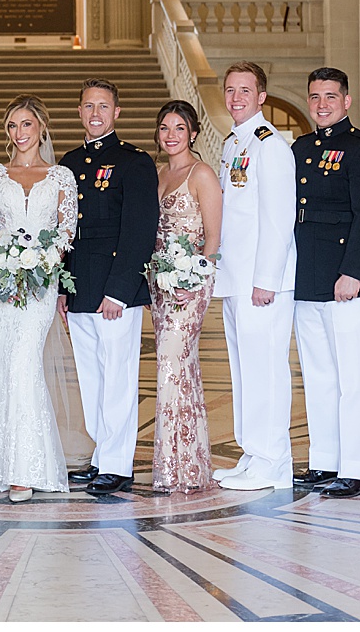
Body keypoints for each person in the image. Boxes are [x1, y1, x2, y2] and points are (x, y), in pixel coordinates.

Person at [291, 66, 360, 500]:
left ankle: (357, 468)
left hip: (351, 279)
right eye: (315, 97)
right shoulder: (299, 148)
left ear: (346, 100)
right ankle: (325, 461)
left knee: (353, 376)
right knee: (318, 376)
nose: (322, 105)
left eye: (331, 96)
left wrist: (352, 272)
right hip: (309, 277)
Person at [0, 95, 79, 501]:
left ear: (41, 128)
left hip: (40, 283)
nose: (19, 133)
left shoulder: (61, 177)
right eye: (12, 126)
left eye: (26, 125)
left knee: (24, 364)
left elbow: (67, 232)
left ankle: (28, 468)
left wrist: (42, 262)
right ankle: (1, 464)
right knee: (1, 366)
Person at [58, 79, 159, 495]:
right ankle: (102, 455)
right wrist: (63, 287)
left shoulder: (134, 161)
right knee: (91, 378)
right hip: (80, 288)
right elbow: (63, 229)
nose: (95, 113)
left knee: (118, 377)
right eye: (87, 106)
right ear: (79, 112)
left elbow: (139, 229)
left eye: (103, 106)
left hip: (115, 291)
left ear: (116, 112)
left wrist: (119, 290)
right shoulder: (68, 162)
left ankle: (117, 465)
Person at [212, 61, 299, 492]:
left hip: (263, 283)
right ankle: (252, 453)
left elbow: (279, 220)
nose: (236, 98)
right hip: (236, 278)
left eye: (245, 90)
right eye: (230, 90)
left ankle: (275, 462)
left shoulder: (271, 146)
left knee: (266, 369)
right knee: (244, 369)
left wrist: (265, 279)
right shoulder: (233, 143)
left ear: (262, 96)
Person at [149, 99, 223, 494]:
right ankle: (186, 467)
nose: (171, 135)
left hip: (189, 284)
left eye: (179, 127)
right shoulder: (159, 173)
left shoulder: (202, 174)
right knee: (181, 370)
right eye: (165, 128)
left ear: (193, 132)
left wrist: (193, 278)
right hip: (160, 284)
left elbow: (212, 238)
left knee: (171, 365)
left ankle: (177, 467)